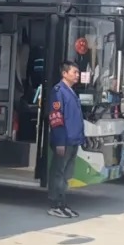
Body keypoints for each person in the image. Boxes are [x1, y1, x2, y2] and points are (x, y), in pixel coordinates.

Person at [46, 60, 84, 218]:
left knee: (66, 175)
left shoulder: (71, 92)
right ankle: (55, 204)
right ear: (64, 73)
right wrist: (60, 142)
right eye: (74, 72)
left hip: (73, 140)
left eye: (78, 72)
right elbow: (56, 119)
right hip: (64, 141)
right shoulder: (58, 91)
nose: (77, 75)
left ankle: (62, 203)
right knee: (58, 173)